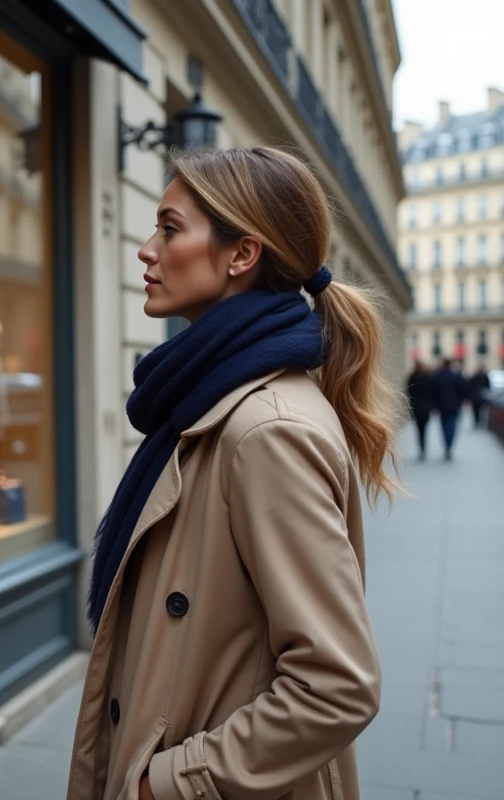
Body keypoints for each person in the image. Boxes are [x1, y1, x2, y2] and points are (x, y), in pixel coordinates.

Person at [67, 147, 403, 800]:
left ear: (241, 255)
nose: (146, 250)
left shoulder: (266, 430)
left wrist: (167, 785)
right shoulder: (208, 398)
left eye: (169, 229)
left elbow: (337, 685)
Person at [431, 359, 470, 460]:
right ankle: (449, 445)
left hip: (442, 406)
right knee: (452, 425)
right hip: (454, 406)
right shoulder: (456, 377)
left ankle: (447, 444)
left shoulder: (438, 376)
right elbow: (464, 390)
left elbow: (433, 391)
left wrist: (434, 404)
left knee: (444, 426)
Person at [407, 361, 435, 460]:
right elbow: (432, 392)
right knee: (424, 428)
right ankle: (423, 447)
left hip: (416, 406)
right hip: (425, 407)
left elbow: (409, 392)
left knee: (419, 429)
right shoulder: (428, 378)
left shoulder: (412, 377)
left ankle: (421, 447)